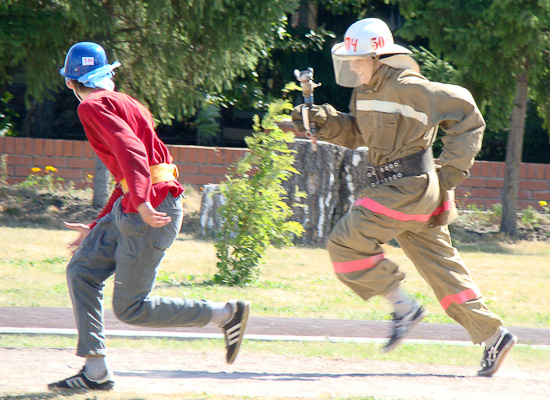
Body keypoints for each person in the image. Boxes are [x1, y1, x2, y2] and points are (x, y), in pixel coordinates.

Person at [292, 18, 516, 377]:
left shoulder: (410, 86)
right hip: (406, 193)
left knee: (344, 243)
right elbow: (359, 134)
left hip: (406, 189)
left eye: (359, 58)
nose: (352, 66)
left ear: (379, 56)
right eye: (349, 60)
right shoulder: (364, 93)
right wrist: (323, 121)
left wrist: (451, 173)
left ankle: (403, 307)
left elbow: (467, 115)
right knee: (444, 272)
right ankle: (494, 336)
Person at [48, 42, 251, 391]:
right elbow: (130, 170)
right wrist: (97, 224)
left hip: (147, 209)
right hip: (138, 204)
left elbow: (131, 152)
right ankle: (95, 372)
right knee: (81, 269)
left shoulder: (91, 106)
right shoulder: (124, 101)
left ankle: (225, 314)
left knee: (132, 308)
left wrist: (141, 201)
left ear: (71, 82)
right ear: (108, 75)